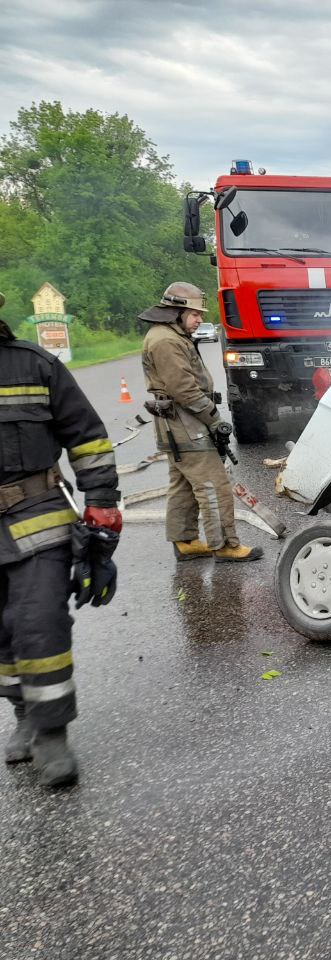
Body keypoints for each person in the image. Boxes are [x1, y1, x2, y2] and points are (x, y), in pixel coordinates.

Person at [1, 290, 122, 788]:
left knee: (39, 621)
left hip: (38, 517)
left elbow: (88, 436)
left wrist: (100, 502)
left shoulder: (34, 365)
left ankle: (52, 732)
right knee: (3, 633)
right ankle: (23, 712)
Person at [140, 282, 261, 563]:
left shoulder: (168, 335)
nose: (200, 320)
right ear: (176, 311)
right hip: (185, 423)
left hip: (177, 424)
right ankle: (226, 546)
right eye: (195, 314)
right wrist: (215, 420)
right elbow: (185, 390)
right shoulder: (166, 341)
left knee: (183, 485)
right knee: (213, 484)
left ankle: (185, 541)